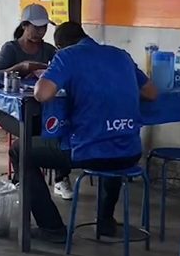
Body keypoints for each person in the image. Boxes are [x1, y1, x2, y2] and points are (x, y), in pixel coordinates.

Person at [9, 21, 158, 242]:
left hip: (90, 151)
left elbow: (42, 94)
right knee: (112, 141)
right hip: (130, 151)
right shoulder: (121, 55)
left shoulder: (67, 57)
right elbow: (152, 92)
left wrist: (50, 72)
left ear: (60, 46)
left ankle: (51, 228)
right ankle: (105, 222)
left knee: (20, 149)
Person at [0, 4, 74, 199]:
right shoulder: (11, 49)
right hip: (10, 111)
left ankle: (61, 178)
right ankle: (22, 180)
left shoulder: (49, 50)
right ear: (24, 25)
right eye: (36, 27)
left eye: (44, 27)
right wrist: (20, 67)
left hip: (43, 110)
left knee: (59, 128)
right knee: (32, 131)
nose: (40, 32)